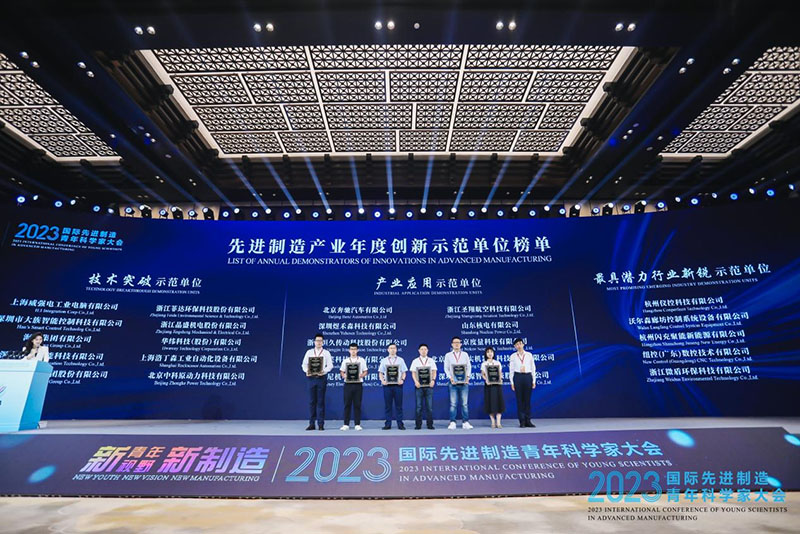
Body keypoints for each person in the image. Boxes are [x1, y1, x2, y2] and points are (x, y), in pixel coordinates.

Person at [300, 333, 333, 431]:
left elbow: (330, 365)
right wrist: (306, 371)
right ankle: (311, 424)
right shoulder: (309, 352)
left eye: (320, 341)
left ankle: (321, 424)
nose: (319, 342)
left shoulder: (326, 353)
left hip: (321, 378)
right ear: (314, 342)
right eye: (317, 341)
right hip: (311, 379)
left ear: (323, 342)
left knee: (320, 402)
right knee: (312, 402)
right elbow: (304, 364)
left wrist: (324, 371)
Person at [443, 336, 472, 430]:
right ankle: (452, 422)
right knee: (453, 404)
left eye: (458, 342)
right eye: (454, 343)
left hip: (464, 382)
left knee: (464, 404)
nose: (456, 344)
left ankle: (465, 422)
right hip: (453, 383)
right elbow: (446, 368)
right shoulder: (448, 355)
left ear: (461, 344)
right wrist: (450, 377)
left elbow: (468, 366)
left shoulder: (465, 354)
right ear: (452, 344)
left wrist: (468, 377)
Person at [339, 343, 368, 431]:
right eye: (351, 349)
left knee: (357, 404)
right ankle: (346, 424)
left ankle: (357, 424)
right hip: (348, 384)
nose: (353, 351)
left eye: (355, 349)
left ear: (357, 350)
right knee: (347, 404)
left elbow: (365, 371)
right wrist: (344, 375)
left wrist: (361, 375)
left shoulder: (362, 360)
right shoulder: (345, 361)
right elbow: (342, 371)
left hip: (358, 384)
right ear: (349, 350)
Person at [378, 342, 407, 430]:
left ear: (396, 350)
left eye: (394, 348)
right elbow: (380, 372)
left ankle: (400, 424)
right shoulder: (384, 360)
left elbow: (404, 372)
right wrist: (382, 381)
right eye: (391, 348)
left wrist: (402, 380)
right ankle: (388, 424)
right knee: (388, 406)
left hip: (398, 385)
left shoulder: (400, 360)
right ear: (388, 350)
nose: (392, 350)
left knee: (399, 406)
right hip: (387, 386)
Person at [509, 337, 536, 428]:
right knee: (519, 400)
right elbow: (511, 370)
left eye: (520, 343)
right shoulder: (513, 356)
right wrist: (512, 382)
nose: (519, 345)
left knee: (527, 400)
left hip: (527, 376)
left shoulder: (529, 355)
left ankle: (528, 420)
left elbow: (533, 368)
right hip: (518, 377)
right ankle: (522, 421)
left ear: (523, 344)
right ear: (515, 346)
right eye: (517, 344)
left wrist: (534, 380)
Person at [409, 343, 437, 430]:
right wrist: (416, 381)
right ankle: (418, 425)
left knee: (429, 407)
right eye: (422, 349)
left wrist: (433, 380)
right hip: (419, 386)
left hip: (429, 386)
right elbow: (413, 373)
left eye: (425, 349)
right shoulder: (415, 361)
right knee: (419, 407)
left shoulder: (431, 360)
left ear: (427, 351)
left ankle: (430, 424)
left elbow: (434, 371)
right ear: (419, 351)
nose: (423, 351)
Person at [480, 346, 505, 428]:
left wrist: (500, 379)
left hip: (497, 385)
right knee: (489, 403)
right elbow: (483, 374)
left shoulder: (497, 363)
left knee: (499, 403)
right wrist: (486, 380)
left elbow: (500, 373)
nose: (490, 353)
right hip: (488, 385)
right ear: (486, 354)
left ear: (493, 353)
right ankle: (493, 422)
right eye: (488, 352)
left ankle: (498, 422)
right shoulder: (484, 364)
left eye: (491, 352)